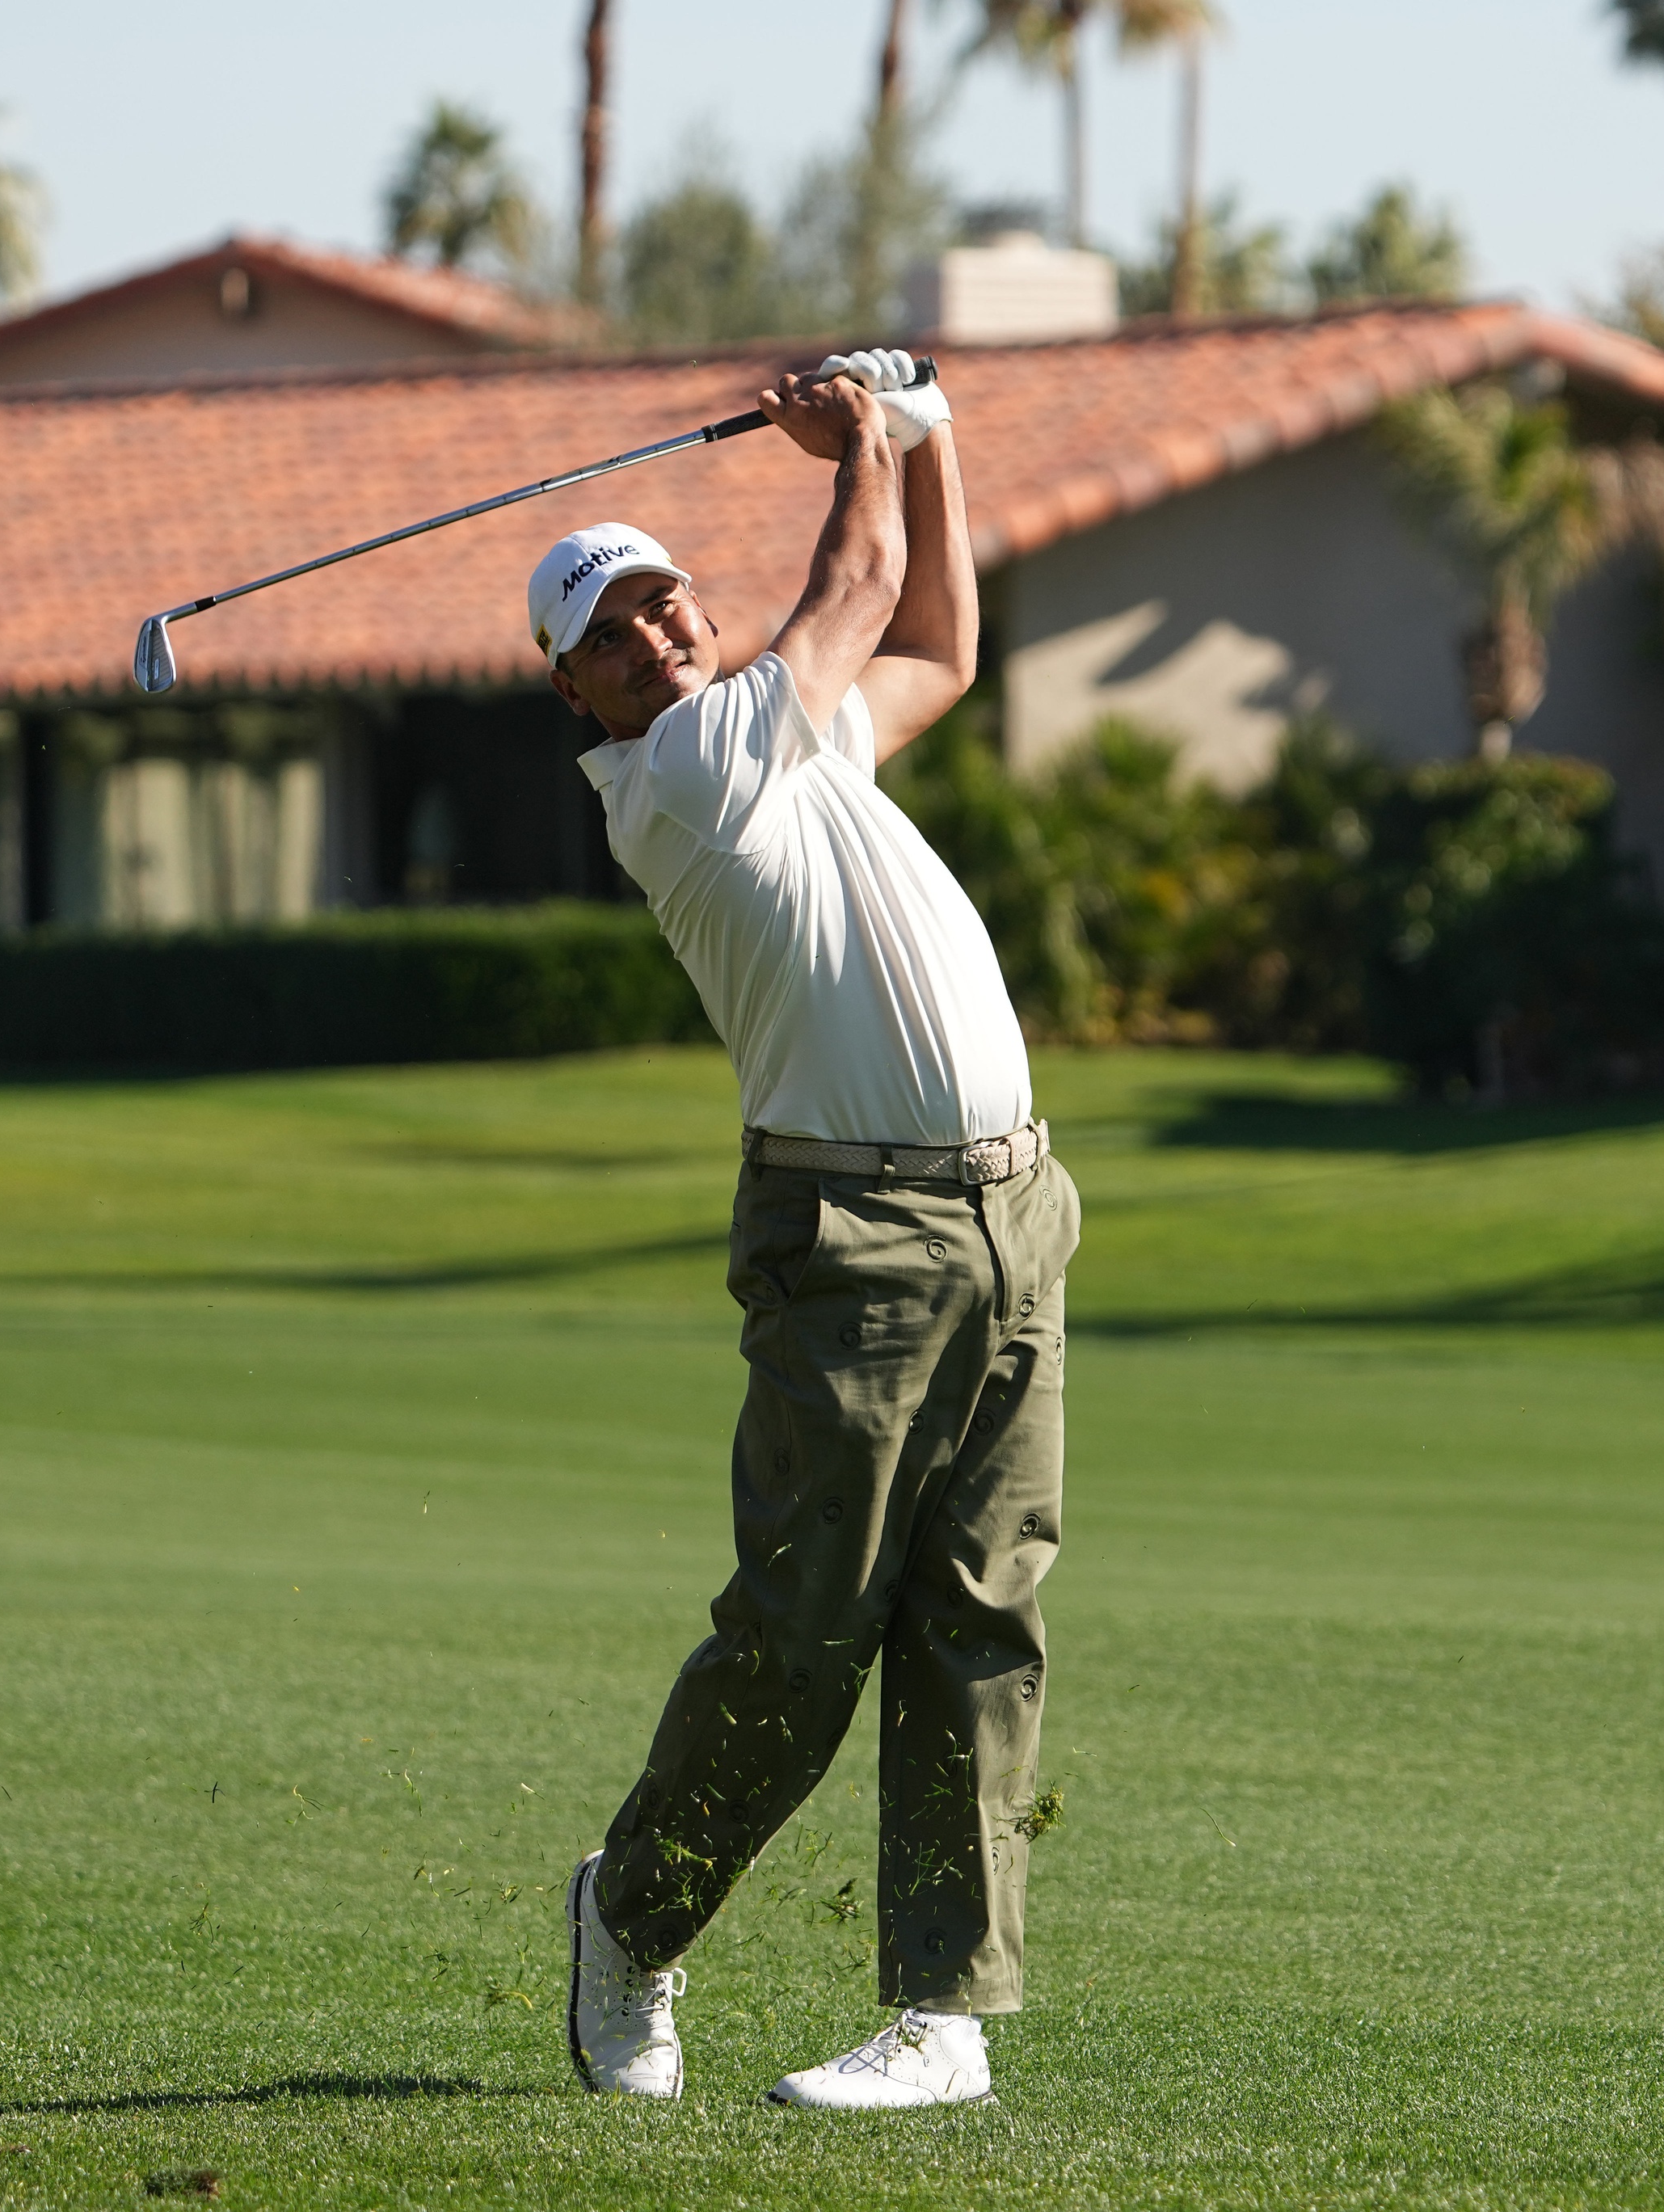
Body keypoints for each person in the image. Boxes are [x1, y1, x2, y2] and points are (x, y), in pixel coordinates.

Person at [529, 350, 1076, 2112]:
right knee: (801, 1634)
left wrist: (932, 442)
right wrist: (854, 446)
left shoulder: (789, 732)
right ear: (582, 700)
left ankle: (943, 2014)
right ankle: (633, 1915)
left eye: (665, 596)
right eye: (613, 631)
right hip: (851, 1235)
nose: (658, 630)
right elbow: (849, 592)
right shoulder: (681, 772)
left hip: (1012, 1211)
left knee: (981, 1614)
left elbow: (934, 646)